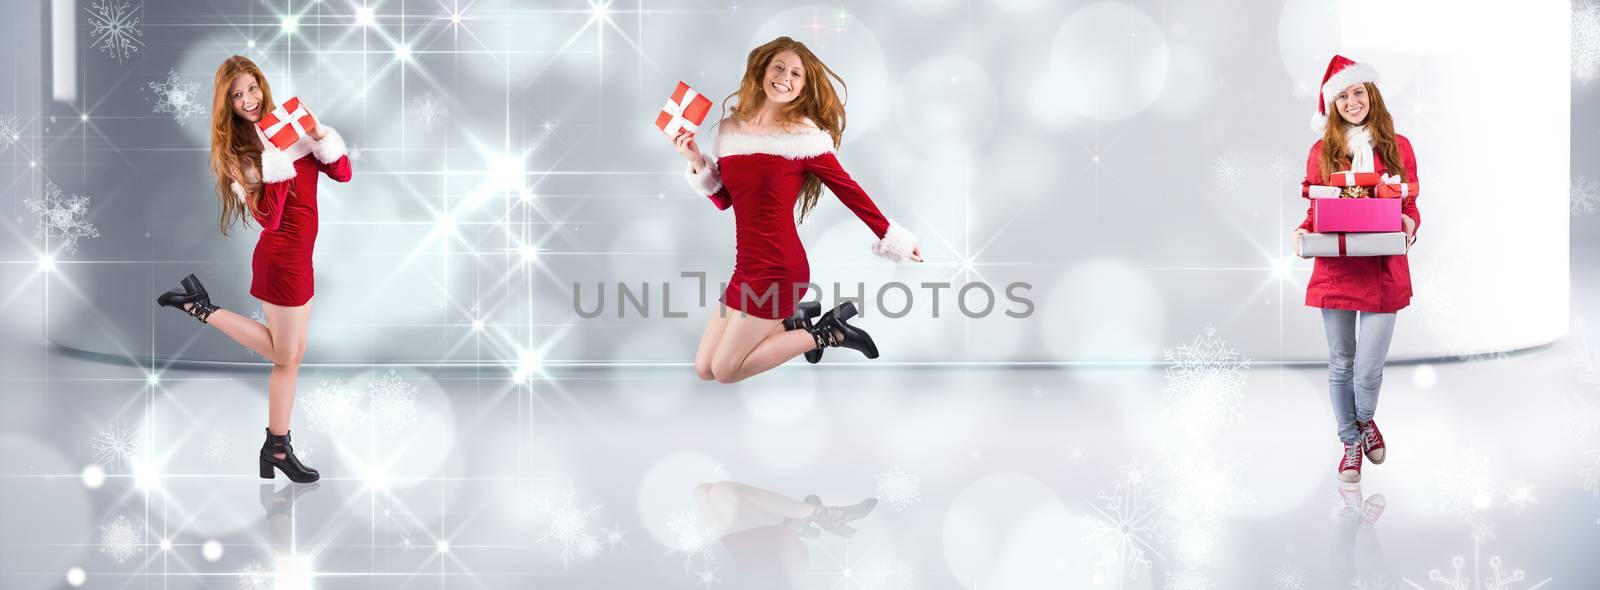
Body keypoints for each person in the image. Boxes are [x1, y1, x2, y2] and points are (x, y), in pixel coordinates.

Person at [672, 36, 923, 384]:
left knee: (726, 370)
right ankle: (794, 324)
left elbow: (849, 190)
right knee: (704, 369)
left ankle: (827, 333)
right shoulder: (730, 130)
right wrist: (697, 162)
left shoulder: (803, 136)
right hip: (745, 268)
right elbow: (729, 200)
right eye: (779, 67)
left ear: (803, 87)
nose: (784, 78)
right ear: (762, 70)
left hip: (779, 268)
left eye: (796, 74)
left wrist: (893, 237)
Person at [156, 55, 351, 483]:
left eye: (251, 88)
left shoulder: (287, 127)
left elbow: (343, 173)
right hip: (279, 261)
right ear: (227, 103)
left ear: (262, 85)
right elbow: (268, 218)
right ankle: (201, 308)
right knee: (286, 355)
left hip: (303, 259)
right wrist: (275, 162)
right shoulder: (237, 153)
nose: (248, 99)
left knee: (291, 358)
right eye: (236, 95)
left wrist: (317, 135)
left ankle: (277, 448)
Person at [1292, 55, 1420, 483]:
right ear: (1332, 106)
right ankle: (1350, 440)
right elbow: (1316, 210)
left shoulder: (1398, 147)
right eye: (1342, 96)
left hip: (1384, 267)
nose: (1351, 101)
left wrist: (1408, 221)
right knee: (1341, 360)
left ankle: (1365, 420)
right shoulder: (1320, 153)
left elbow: (1409, 203)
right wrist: (1301, 231)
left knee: (1369, 366)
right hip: (1338, 267)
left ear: (1371, 95)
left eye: (1358, 92)